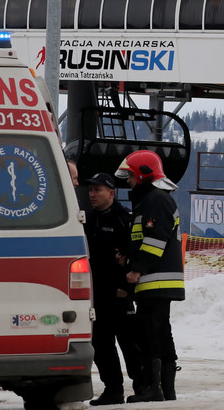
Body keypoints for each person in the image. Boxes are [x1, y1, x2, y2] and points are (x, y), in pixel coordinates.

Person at [117, 150, 185, 403]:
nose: (128, 182)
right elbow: (142, 238)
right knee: (160, 332)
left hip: (156, 279)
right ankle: (165, 390)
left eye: (131, 176)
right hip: (156, 279)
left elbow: (155, 240)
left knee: (151, 333)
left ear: (143, 174)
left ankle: (154, 389)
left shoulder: (155, 199)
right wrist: (129, 257)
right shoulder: (153, 199)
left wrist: (136, 268)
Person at [83, 172, 143, 406]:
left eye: (97, 190)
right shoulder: (87, 219)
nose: (92, 194)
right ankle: (113, 389)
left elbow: (133, 257)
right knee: (101, 342)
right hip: (96, 294)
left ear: (111, 193)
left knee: (129, 343)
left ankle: (142, 386)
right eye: (90, 190)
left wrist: (126, 288)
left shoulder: (124, 219)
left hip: (119, 293)